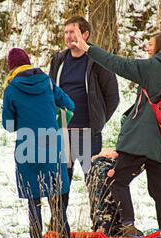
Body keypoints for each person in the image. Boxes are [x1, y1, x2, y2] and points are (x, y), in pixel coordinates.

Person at [71, 28, 161, 238]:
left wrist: (88, 49)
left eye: (150, 44)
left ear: (160, 47)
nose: (147, 47)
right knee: (159, 185)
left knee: (117, 179)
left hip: (140, 140)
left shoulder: (153, 67)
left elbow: (118, 64)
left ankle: (127, 225)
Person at [2, 48, 75, 238]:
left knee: (34, 198)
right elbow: (70, 104)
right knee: (57, 196)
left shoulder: (11, 89)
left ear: (11, 68)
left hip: (27, 146)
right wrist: (55, 119)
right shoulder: (47, 81)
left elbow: (8, 124)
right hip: (52, 143)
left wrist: (24, 118)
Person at [49, 15, 120, 212]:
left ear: (85, 34)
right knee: (60, 186)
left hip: (89, 134)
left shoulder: (97, 60)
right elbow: (51, 93)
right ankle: (58, 228)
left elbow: (112, 97)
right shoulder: (59, 60)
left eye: (72, 32)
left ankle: (102, 226)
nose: (68, 36)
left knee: (95, 184)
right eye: (65, 32)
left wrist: (98, 122)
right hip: (63, 134)